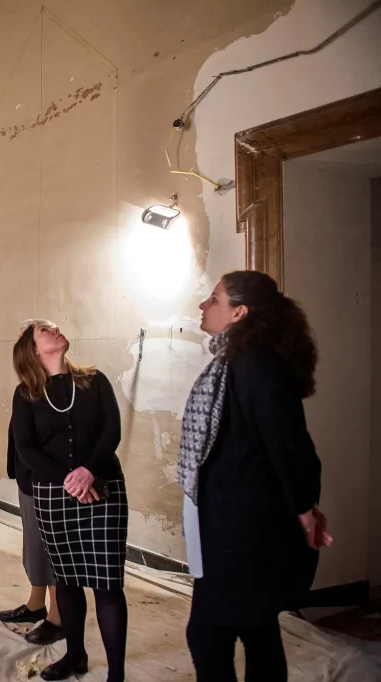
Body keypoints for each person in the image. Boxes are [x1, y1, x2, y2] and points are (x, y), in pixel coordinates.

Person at [181, 271, 331, 682]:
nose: (203, 306)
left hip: (244, 531)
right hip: (238, 523)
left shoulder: (253, 362)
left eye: (214, 299)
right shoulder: (237, 360)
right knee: (256, 627)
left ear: (239, 312)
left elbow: (288, 441)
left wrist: (303, 507)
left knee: (208, 634)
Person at [11, 320, 127, 682]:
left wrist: (89, 471)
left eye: (55, 327)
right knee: (68, 580)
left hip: (103, 489)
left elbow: (112, 430)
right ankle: (75, 655)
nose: (55, 330)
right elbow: (25, 448)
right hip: (53, 493)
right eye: (45, 330)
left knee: (107, 584)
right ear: (33, 350)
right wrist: (69, 478)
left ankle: (117, 675)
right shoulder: (26, 393)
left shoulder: (94, 380)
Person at [0, 321, 63, 646]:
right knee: (35, 548)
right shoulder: (28, 388)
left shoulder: (65, 386)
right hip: (30, 479)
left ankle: (57, 617)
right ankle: (37, 604)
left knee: (51, 551)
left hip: (50, 482)